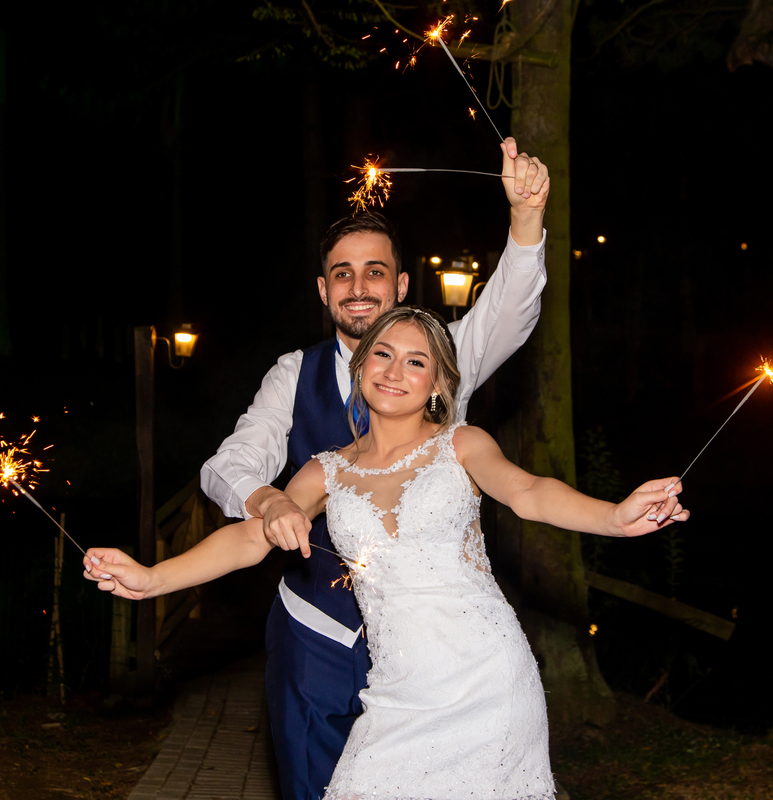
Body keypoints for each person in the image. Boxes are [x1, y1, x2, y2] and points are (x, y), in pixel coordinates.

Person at [83, 307, 689, 799]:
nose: (395, 370)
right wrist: (154, 578)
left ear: (439, 384)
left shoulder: (462, 444)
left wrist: (613, 518)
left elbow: (529, 493)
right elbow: (248, 538)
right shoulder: (325, 470)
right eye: (383, 354)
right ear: (360, 366)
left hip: (487, 679)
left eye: (416, 361)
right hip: (395, 692)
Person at [198, 138, 550, 799]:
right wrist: (267, 500)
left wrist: (526, 216)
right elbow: (230, 463)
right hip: (317, 636)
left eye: (375, 272)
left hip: (436, 654)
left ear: (402, 284)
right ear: (323, 289)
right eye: (342, 274)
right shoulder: (292, 373)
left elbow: (509, 309)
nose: (359, 288)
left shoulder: (443, 358)